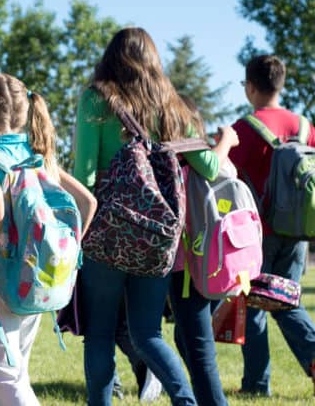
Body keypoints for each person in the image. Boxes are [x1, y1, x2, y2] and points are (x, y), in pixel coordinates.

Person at [73, 27, 237, 406]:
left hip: (107, 234)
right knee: (149, 333)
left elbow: (84, 177)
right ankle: (186, 401)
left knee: (99, 335)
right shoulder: (173, 105)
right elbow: (210, 167)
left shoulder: (96, 99)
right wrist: (226, 141)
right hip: (158, 237)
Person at [0, 73, 96, 405]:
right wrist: (70, 251)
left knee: (6, 374)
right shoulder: (40, 157)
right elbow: (88, 202)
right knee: (13, 370)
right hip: (37, 274)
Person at [228, 54, 315, 396]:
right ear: (281, 84)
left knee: (254, 306)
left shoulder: (244, 130)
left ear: (250, 87)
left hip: (258, 233)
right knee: (288, 301)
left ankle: (256, 385)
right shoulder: (306, 128)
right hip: (298, 231)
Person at [168, 94, 237, 406]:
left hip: (188, 269)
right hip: (216, 263)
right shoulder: (212, 157)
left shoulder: (183, 161)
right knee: (186, 339)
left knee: (198, 348)